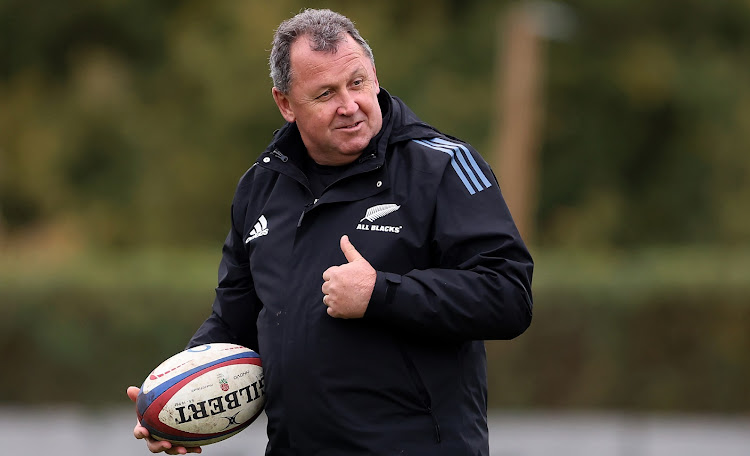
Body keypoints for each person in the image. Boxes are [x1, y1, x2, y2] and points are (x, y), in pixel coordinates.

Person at [128, 8, 533, 456]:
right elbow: (234, 322)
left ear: (374, 76)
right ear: (286, 104)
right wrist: (177, 400)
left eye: (357, 83)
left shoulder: (443, 166)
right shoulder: (260, 187)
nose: (349, 105)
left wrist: (382, 293)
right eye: (325, 94)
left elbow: (509, 295)